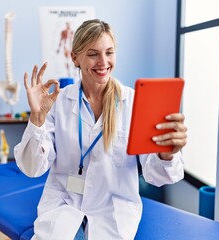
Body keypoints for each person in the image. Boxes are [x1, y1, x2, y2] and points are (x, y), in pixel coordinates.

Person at [14, 19, 187, 240]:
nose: (103, 62)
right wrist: (37, 119)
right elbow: (32, 168)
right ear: (75, 57)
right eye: (93, 54)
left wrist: (166, 153)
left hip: (113, 212)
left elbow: (155, 175)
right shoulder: (59, 102)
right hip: (63, 204)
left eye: (109, 52)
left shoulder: (134, 103)